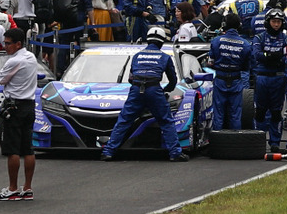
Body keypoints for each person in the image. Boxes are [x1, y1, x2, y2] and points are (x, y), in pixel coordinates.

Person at [101, 26, 187, 163]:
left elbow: (130, 78)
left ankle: (108, 152)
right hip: (154, 90)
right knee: (166, 121)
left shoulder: (137, 56)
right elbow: (173, 81)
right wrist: (165, 91)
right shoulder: (165, 57)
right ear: (162, 42)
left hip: (136, 89)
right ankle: (175, 153)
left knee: (124, 121)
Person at [0, 27, 41, 198]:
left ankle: (12, 188)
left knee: (12, 149)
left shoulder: (14, 61)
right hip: (29, 105)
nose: (5, 47)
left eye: (8, 44)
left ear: (18, 44)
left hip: (14, 106)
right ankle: (27, 187)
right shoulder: (31, 57)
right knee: (28, 148)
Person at [250, 7, 287, 153]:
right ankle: (259, 140)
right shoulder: (259, 37)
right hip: (262, 77)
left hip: (278, 78)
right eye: (274, 21)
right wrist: (276, 55)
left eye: (279, 22)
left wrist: (269, 55)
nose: (276, 25)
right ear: (268, 22)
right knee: (260, 111)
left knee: (276, 112)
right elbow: (257, 55)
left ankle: (275, 142)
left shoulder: (286, 37)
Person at [208, 13, 252, 131]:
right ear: (239, 26)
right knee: (235, 115)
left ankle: (217, 141)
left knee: (218, 114)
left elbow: (210, 63)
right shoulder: (246, 44)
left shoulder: (216, 41)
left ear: (224, 25)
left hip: (220, 80)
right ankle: (236, 145)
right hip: (236, 81)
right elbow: (247, 66)